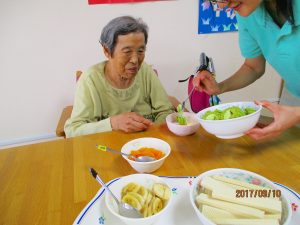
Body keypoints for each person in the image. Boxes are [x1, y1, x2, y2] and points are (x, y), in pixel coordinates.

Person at [194, 0, 300, 140]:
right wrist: (219, 87)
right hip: (293, 99)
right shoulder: (248, 13)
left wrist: (297, 114)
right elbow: (253, 67)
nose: (222, 5)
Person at [64, 16, 174, 138]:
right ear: (107, 51)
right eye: (127, 52)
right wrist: (113, 123)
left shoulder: (145, 71)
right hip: (107, 147)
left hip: (147, 145)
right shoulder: (90, 80)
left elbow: (165, 111)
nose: (135, 60)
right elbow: (73, 130)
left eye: (141, 51)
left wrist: (153, 133)